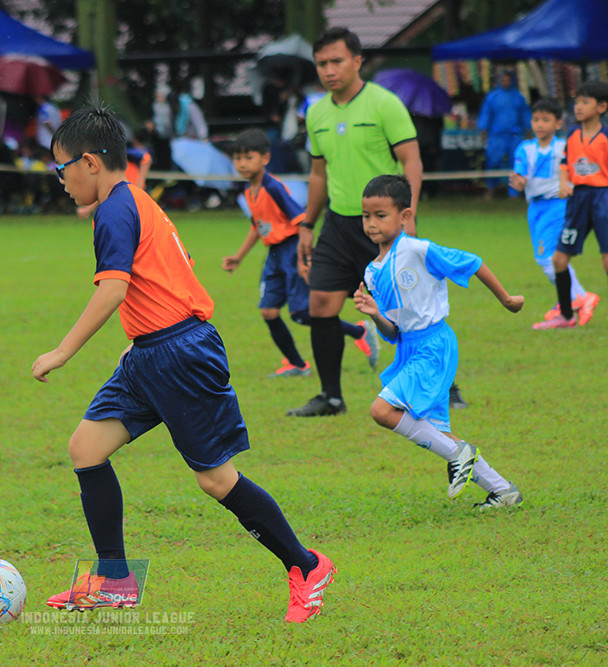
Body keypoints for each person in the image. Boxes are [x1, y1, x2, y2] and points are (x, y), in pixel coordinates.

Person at [32, 106, 335, 622]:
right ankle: (115, 581)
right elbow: (169, 270)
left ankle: (305, 566)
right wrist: (142, 335)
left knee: (216, 479)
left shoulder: (114, 209)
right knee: (85, 448)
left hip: (180, 353)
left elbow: (114, 287)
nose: (60, 182)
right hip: (153, 351)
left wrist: (63, 351)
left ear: (87, 162)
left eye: (61, 170)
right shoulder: (133, 202)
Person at [354, 175, 524, 510]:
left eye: (380, 215)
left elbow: (472, 262)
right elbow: (392, 333)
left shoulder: (419, 250)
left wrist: (505, 299)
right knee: (435, 432)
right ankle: (503, 491)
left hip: (434, 345)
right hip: (409, 348)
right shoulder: (372, 272)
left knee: (382, 410)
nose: (372, 224)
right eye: (366, 216)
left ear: (404, 216)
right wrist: (375, 313)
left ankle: (463, 454)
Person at [288, 27, 424, 417]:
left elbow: (411, 161)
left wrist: (406, 214)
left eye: (337, 61)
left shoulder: (384, 104)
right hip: (337, 223)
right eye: (321, 64)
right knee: (321, 303)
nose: (329, 70)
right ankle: (331, 397)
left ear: (358, 61)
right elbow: (318, 173)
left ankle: (443, 385)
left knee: (408, 308)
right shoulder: (315, 112)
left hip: (385, 226)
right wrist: (307, 224)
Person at [221, 128, 378, 378]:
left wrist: (303, 253)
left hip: (291, 250)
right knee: (268, 311)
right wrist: (238, 257)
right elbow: (257, 225)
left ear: (265, 158)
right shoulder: (248, 192)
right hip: (273, 254)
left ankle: (359, 332)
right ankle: (297, 364)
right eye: (237, 158)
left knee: (302, 313)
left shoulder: (273, 188)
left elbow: (300, 217)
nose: (241, 164)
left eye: (248, 157)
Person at [509, 98, 599, 324]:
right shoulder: (525, 148)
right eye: (536, 119)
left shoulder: (564, 146)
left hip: (557, 206)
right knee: (550, 258)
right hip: (535, 207)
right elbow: (520, 174)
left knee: (548, 257)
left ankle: (577, 297)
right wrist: (519, 182)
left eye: (545, 120)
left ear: (558, 123)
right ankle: (575, 298)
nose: (539, 124)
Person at [533, 80, 608, 329]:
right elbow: (566, 163)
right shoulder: (573, 135)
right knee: (558, 260)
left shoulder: (605, 137)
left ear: (601, 107)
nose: (578, 107)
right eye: (576, 102)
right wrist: (565, 183)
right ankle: (566, 316)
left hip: (603, 198)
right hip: (578, 201)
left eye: (585, 102)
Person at [478, 70, 531, 200]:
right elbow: (486, 114)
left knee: (516, 162)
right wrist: (483, 130)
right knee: (493, 161)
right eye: (503, 79)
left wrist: (528, 130)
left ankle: (514, 192)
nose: (505, 82)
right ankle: (491, 188)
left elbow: (525, 114)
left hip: (515, 134)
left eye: (508, 79)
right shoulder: (492, 96)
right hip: (497, 134)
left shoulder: (518, 97)